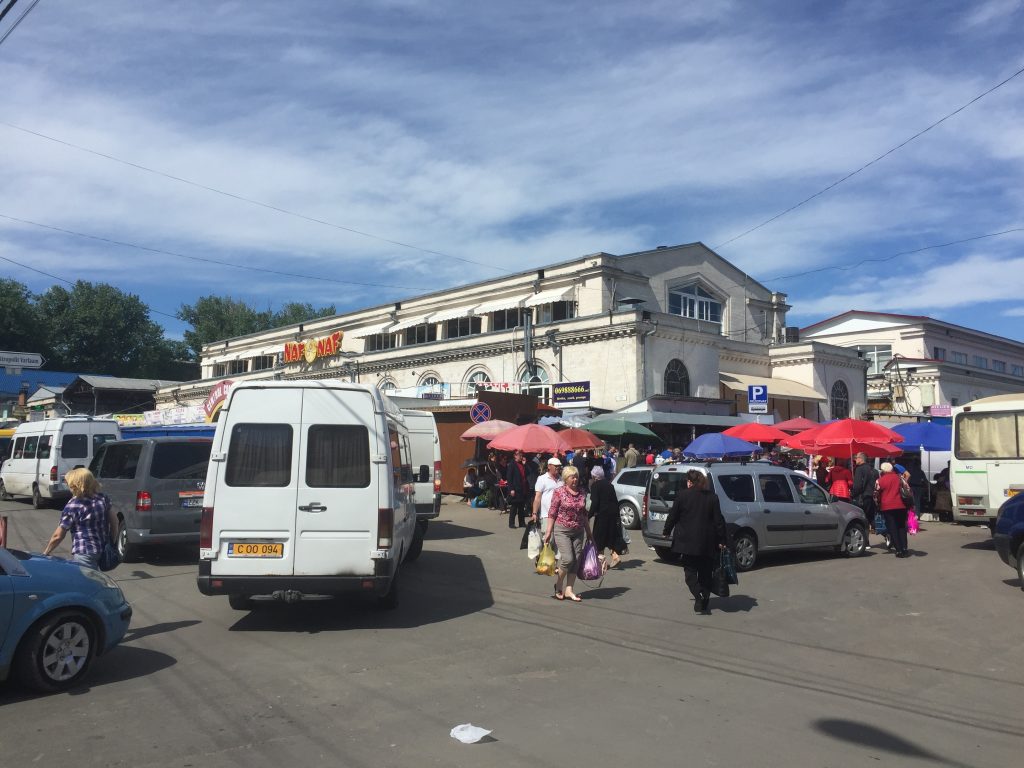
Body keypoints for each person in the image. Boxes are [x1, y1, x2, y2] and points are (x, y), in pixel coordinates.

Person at [662, 469, 727, 614]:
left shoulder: (682, 495)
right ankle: (704, 599)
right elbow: (718, 521)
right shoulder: (712, 497)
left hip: (687, 542)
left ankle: (698, 595)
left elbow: (673, 516)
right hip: (707, 542)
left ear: (689, 482)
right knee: (705, 572)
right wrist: (722, 539)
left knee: (690, 572)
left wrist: (666, 531)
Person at [41, 468, 117, 570]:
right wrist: (111, 541)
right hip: (102, 549)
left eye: (68, 483)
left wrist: (46, 552)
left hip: (84, 552)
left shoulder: (73, 505)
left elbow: (58, 536)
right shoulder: (103, 498)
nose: (67, 485)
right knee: (97, 580)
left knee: (87, 583)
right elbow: (115, 522)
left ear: (75, 485)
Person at [543, 466, 593, 602]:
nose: (575, 479)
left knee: (576, 561)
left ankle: (569, 589)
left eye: (576, 476)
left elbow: (584, 514)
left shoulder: (582, 492)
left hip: (578, 530)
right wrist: (548, 531)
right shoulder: (559, 492)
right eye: (572, 477)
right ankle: (559, 584)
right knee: (568, 559)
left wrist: (589, 533)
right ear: (566, 478)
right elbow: (552, 512)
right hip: (562, 530)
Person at [588, 465, 626, 568]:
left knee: (599, 539)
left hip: (602, 516)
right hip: (612, 515)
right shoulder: (609, 485)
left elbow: (595, 503)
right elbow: (615, 501)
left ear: (595, 476)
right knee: (609, 537)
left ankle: (602, 563)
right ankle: (615, 557)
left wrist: (588, 516)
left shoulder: (595, 485)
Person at [531, 456, 564, 553]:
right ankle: (543, 562)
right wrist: (534, 513)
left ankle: (555, 565)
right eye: (556, 466)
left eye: (559, 466)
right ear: (549, 466)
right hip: (546, 515)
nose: (558, 468)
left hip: (560, 515)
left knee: (558, 541)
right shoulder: (542, 479)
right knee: (548, 540)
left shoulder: (561, 479)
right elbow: (537, 498)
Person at [876, 462, 909, 557]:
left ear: (883, 470)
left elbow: (876, 495)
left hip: (887, 507)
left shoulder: (880, 480)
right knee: (902, 526)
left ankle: (898, 550)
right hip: (901, 505)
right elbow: (907, 489)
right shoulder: (900, 477)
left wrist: (878, 505)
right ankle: (904, 548)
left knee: (892, 527)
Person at [851, 451, 878, 549]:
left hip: (862, 497)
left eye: (856, 457)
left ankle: (865, 542)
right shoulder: (874, 470)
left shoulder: (859, 469)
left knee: (862, 520)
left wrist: (852, 494)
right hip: (871, 497)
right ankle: (887, 533)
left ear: (861, 459)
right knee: (871, 518)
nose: (855, 459)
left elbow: (858, 486)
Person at [505, 450, 533, 529]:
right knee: (514, 507)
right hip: (515, 488)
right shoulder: (512, 464)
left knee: (521, 507)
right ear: (515, 455)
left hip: (523, 488)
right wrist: (511, 489)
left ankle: (522, 522)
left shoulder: (522, 464)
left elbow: (529, 472)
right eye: (519, 455)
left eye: (522, 455)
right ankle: (511, 523)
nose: (521, 457)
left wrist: (525, 464)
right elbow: (509, 478)